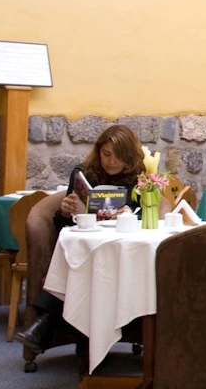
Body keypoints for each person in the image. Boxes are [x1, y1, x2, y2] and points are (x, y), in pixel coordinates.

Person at [14, 125, 145, 353]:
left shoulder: (140, 180)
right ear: (98, 152)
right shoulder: (84, 174)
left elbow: (147, 218)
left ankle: (42, 325)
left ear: (129, 156)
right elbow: (63, 226)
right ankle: (46, 327)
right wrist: (65, 211)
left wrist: (130, 215)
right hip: (87, 246)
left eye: (118, 156)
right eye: (106, 154)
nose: (111, 161)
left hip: (121, 249)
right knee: (76, 260)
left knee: (77, 266)